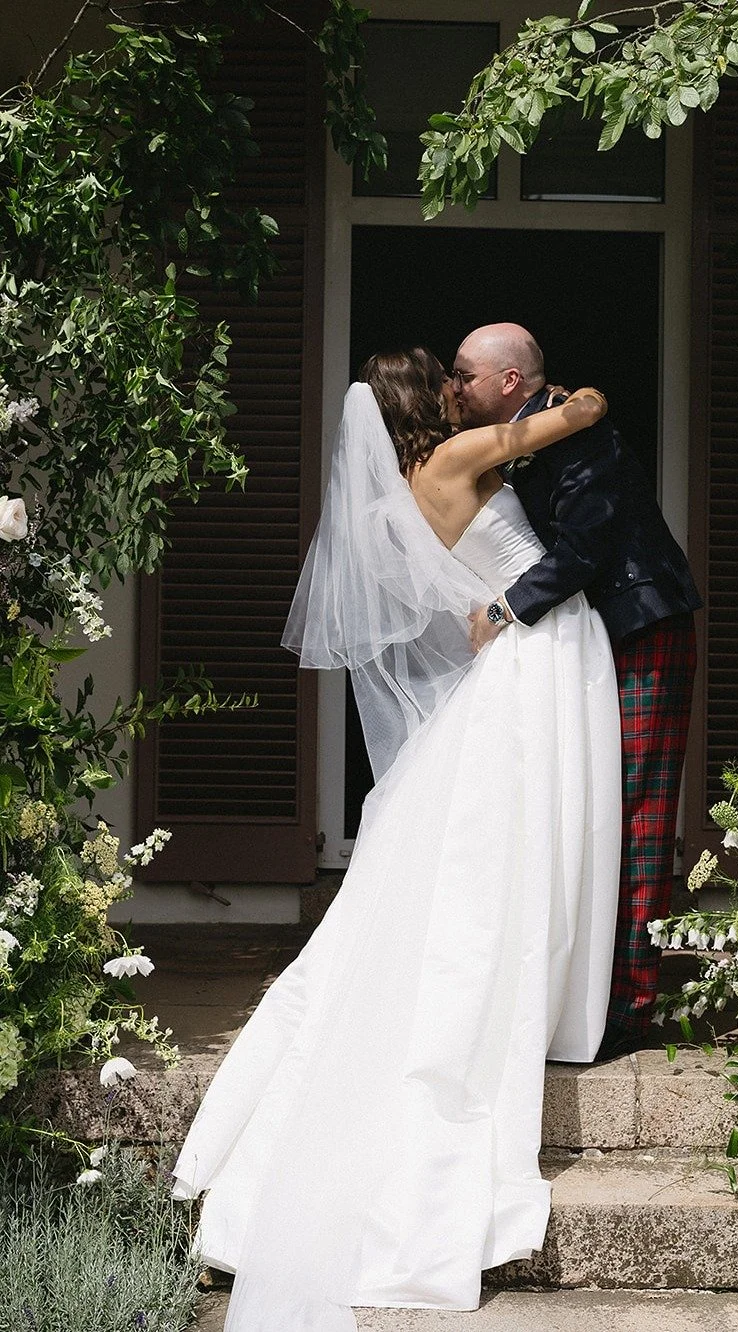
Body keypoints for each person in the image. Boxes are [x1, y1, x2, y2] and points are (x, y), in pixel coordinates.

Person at [170, 348, 622, 1331]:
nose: (463, 390)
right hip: (536, 666)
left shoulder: (407, 493)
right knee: (526, 851)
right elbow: (575, 418)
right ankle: (543, 1010)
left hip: (509, 670)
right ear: (432, 403)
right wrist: (574, 397)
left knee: (485, 863)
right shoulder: (462, 454)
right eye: (449, 379)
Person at [451, 324, 702, 1062]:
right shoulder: (531, 433)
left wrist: (501, 611)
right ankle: (581, 988)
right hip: (587, 645)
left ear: (507, 382)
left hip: (641, 625)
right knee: (589, 810)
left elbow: (583, 550)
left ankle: (630, 1003)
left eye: (465, 374)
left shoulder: (575, 435)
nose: (455, 386)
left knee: (640, 811)